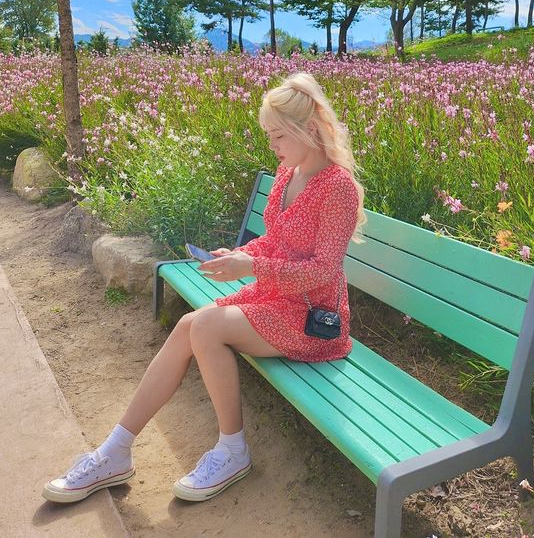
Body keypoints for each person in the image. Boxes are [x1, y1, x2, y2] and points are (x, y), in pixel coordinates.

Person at [43, 72, 365, 505]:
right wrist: (239, 253)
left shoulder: (338, 187)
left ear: (306, 130)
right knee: (189, 326)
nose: (272, 145)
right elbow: (277, 238)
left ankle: (233, 450)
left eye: (276, 136)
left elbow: (325, 271)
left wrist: (251, 265)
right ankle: (115, 451)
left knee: (207, 327)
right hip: (277, 299)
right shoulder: (287, 174)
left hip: (314, 319)